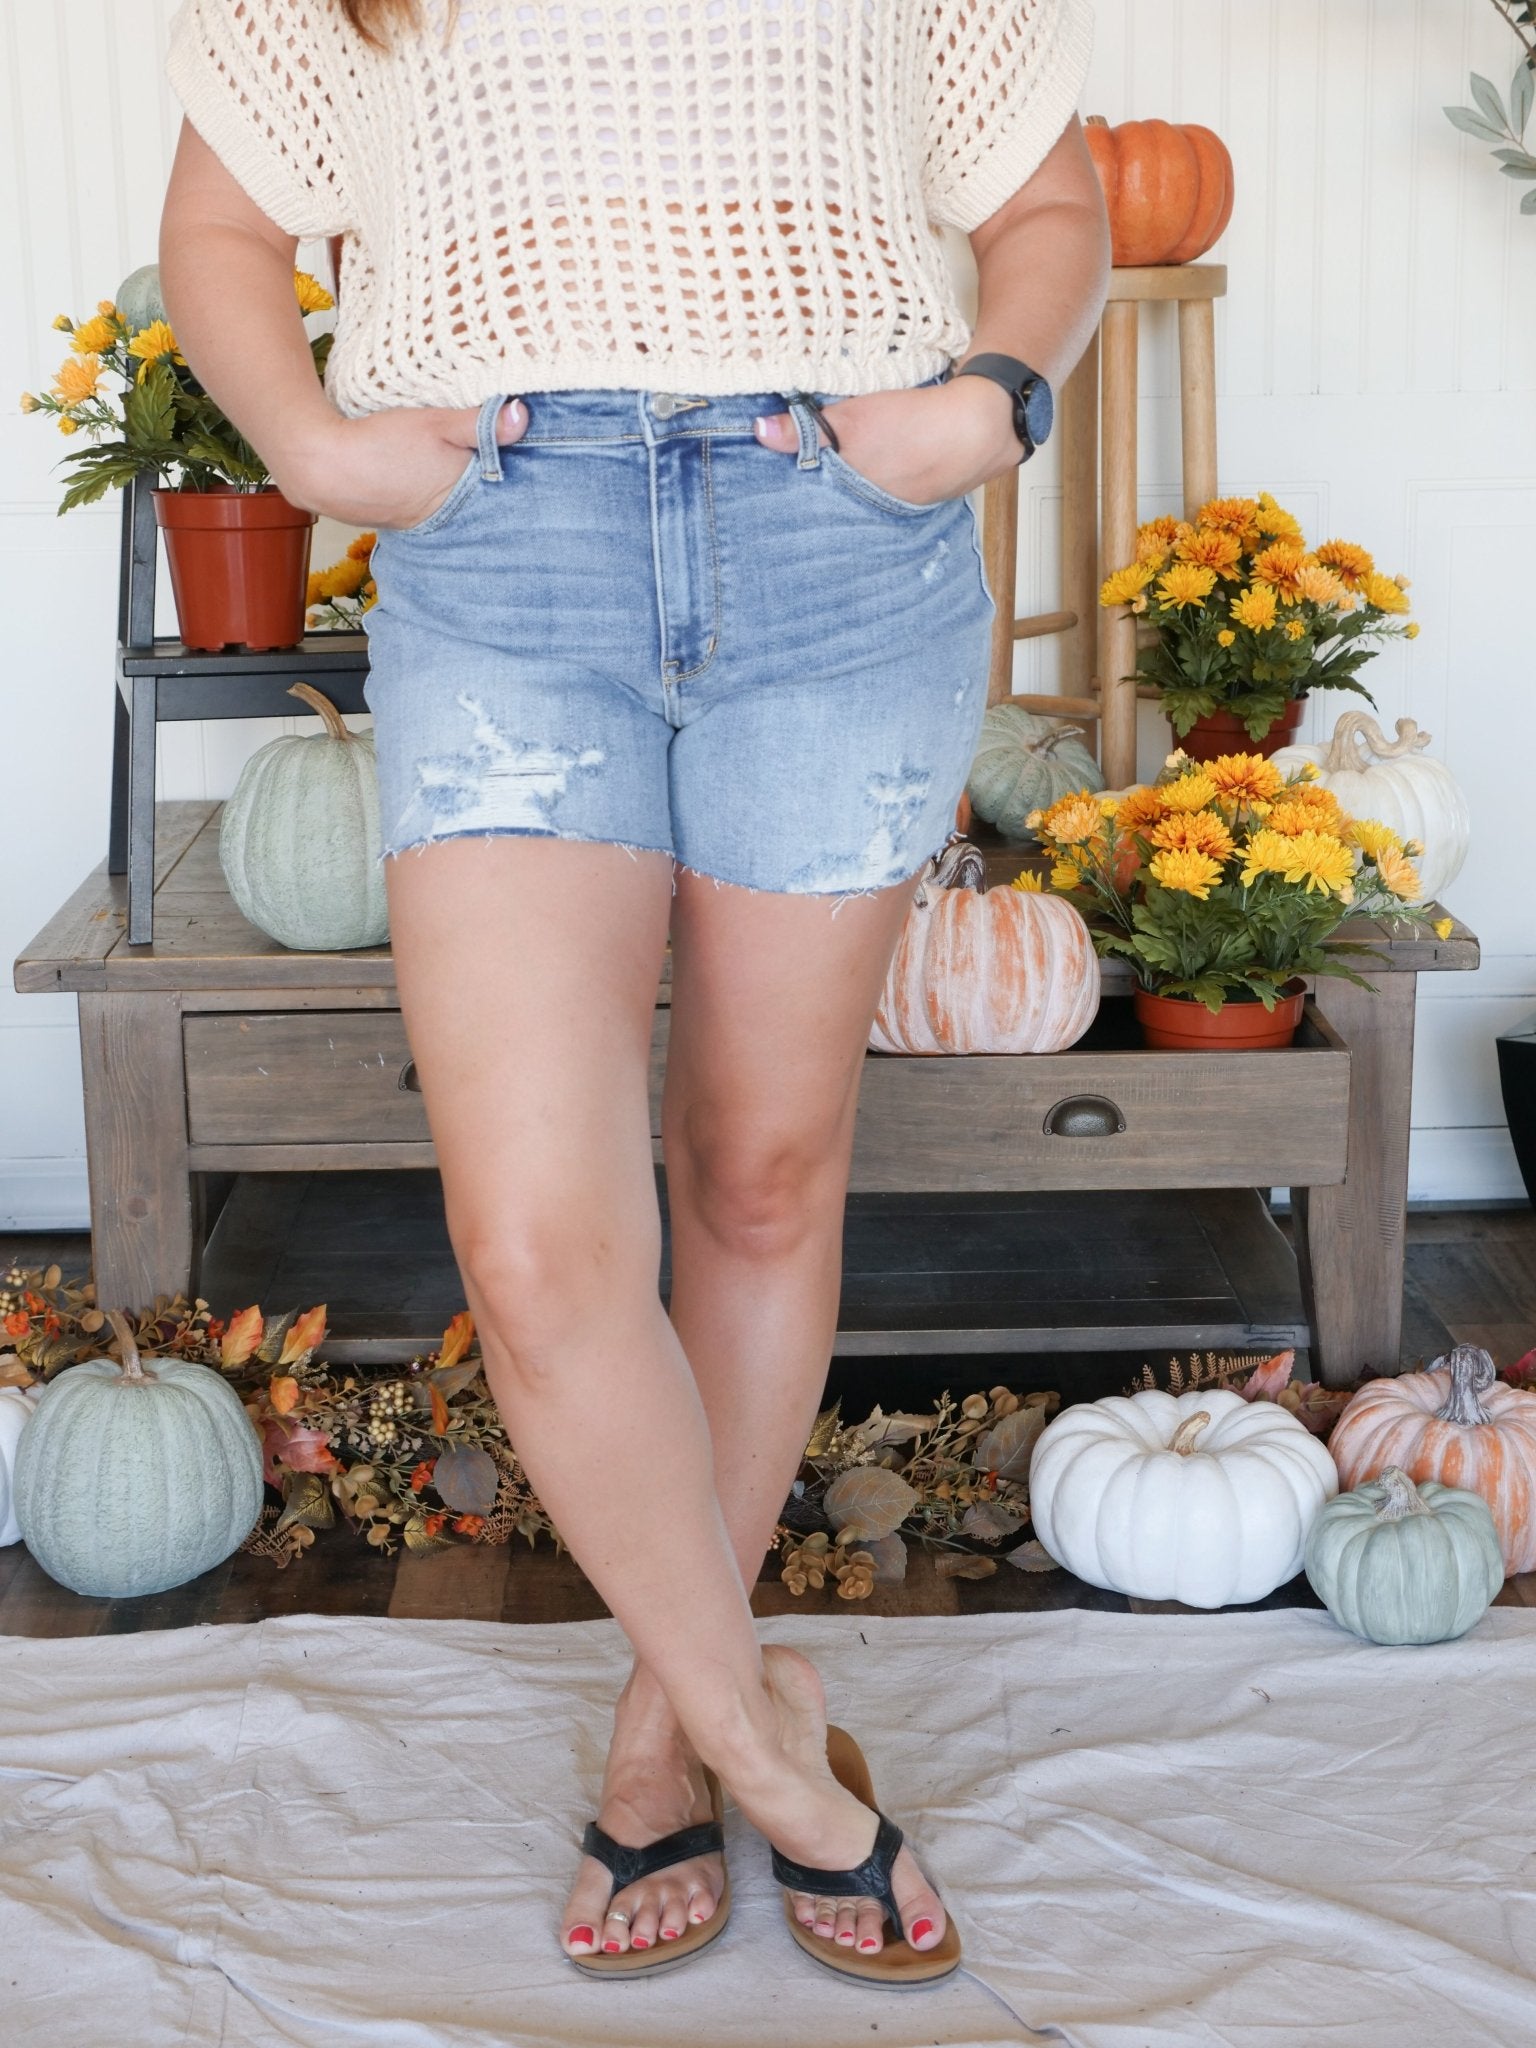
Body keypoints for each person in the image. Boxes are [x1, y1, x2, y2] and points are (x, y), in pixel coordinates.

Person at [161, 0, 1110, 1987]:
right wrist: (315, 446)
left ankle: (666, 1730)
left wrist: (994, 399)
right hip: (508, 556)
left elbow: (1052, 204)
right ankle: (773, 1753)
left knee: (757, 1176)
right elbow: (225, 226)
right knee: (533, 1244)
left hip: (839, 543)